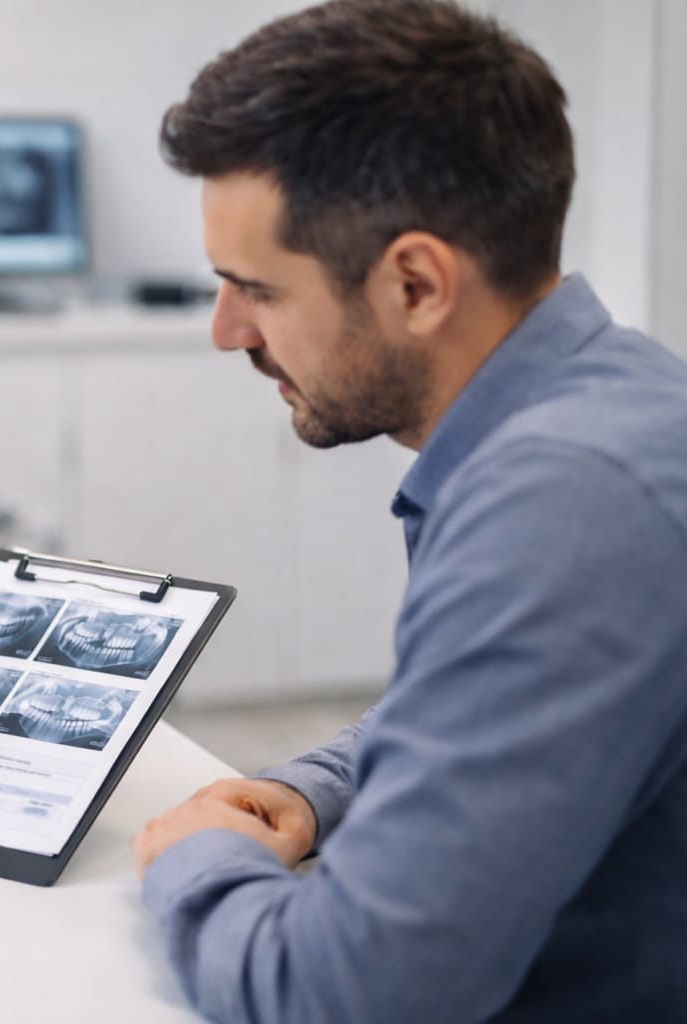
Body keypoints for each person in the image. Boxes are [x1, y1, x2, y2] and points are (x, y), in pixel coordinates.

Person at [127, 1, 687, 1020]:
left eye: (254, 288)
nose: (225, 331)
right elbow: (481, 705)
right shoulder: (625, 400)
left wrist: (195, 855)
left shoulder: (565, 503)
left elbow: (343, 995)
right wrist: (308, 792)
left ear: (417, 284)